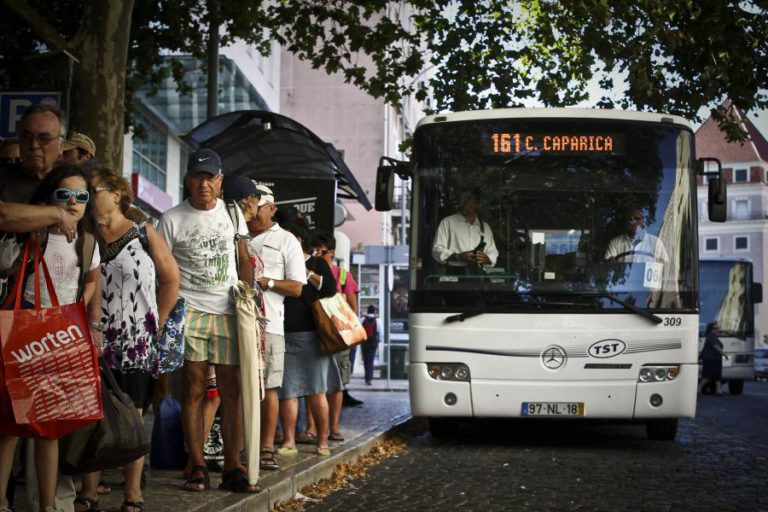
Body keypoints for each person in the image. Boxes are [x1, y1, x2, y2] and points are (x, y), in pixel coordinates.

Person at [74, 166, 180, 512]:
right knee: (92, 412)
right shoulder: (84, 235)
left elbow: (171, 279)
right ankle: (88, 491)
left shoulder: (143, 232)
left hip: (135, 340)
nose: (87, 197)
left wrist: (157, 321)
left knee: (132, 414)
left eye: (93, 190)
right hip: (91, 337)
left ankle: (132, 493)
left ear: (116, 194)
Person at [157, 149, 259, 494]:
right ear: (188, 180)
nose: (204, 184)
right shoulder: (171, 219)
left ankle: (232, 466)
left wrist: (249, 301)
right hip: (189, 311)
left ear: (220, 181)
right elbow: (162, 271)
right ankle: (197, 465)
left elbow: (244, 258)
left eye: (210, 178)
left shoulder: (232, 214)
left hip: (229, 311)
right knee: (194, 388)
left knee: (232, 391)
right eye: (198, 177)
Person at [0, 164, 101, 512]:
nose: (73, 202)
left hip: (61, 338)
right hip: (24, 333)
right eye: (64, 194)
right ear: (49, 198)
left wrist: (87, 315)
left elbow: (93, 279)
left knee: (50, 427)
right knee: (10, 425)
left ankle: (48, 505)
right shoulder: (33, 233)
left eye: (81, 196)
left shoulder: (87, 241)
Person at [244, 184, 305, 471]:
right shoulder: (236, 234)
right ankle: (239, 446)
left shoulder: (286, 240)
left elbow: (296, 287)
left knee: (268, 387)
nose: (252, 212)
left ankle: (266, 447)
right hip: (234, 321)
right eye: (248, 205)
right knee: (235, 387)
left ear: (271, 208)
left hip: (269, 326)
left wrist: (266, 281)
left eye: (258, 206)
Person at [278, 223, 336, 457]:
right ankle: (288, 440)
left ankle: (322, 440)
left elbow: (330, 289)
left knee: (316, 390)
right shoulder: (279, 262)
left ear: (298, 239)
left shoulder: (316, 263)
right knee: (288, 392)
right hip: (284, 333)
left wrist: (306, 272)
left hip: (312, 335)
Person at [431, 188, 498, 270]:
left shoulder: (485, 227)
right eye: (465, 200)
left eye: (471, 199)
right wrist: (459, 256)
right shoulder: (447, 222)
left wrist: (486, 259)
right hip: (454, 274)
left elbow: (493, 253)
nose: (468, 203)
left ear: (477, 203)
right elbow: (437, 250)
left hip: (477, 275)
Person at [604, 207, 669, 263]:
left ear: (643, 222)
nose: (633, 222)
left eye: (636, 218)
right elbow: (608, 264)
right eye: (630, 219)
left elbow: (665, 266)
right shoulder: (615, 242)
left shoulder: (656, 242)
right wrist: (610, 261)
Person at [699, 322, 728, 395]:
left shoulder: (714, 336)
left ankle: (718, 390)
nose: (717, 330)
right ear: (711, 329)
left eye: (718, 328)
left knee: (717, 376)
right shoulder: (711, 336)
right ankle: (698, 389)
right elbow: (715, 346)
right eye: (715, 328)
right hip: (710, 359)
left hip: (716, 359)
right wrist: (724, 354)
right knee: (707, 376)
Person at [360, 305, 381, 385]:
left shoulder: (362, 319)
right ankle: (369, 378)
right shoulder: (378, 320)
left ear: (367, 311)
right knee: (371, 359)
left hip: (364, 342)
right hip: (373, 342)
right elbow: (380, 332)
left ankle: (367, 377)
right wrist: (379, 340)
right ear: (374, 311)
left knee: (365, 360)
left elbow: (359, 330)